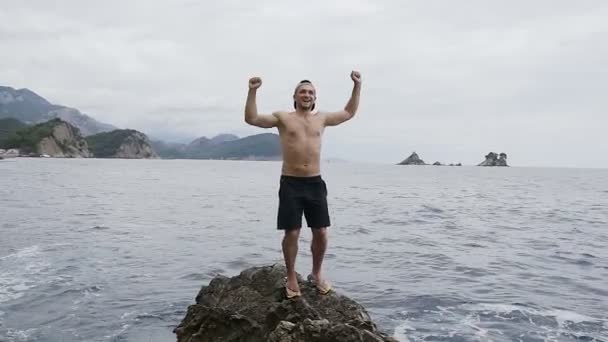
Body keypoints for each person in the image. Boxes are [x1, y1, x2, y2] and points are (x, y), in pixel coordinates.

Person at [244, 71, 361, 298]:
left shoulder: (322, 119)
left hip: (315, 183)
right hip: (291, 183)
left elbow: (348, 113)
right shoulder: (283, 118)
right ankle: (290, 276)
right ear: (295, 97)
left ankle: (316, 273)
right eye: (303, 92)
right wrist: (252, 91)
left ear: (314, 98)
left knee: (321, 232)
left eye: (310, 92)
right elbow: (252, 119)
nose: (307, 95)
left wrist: (357, 86)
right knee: (293, 232)